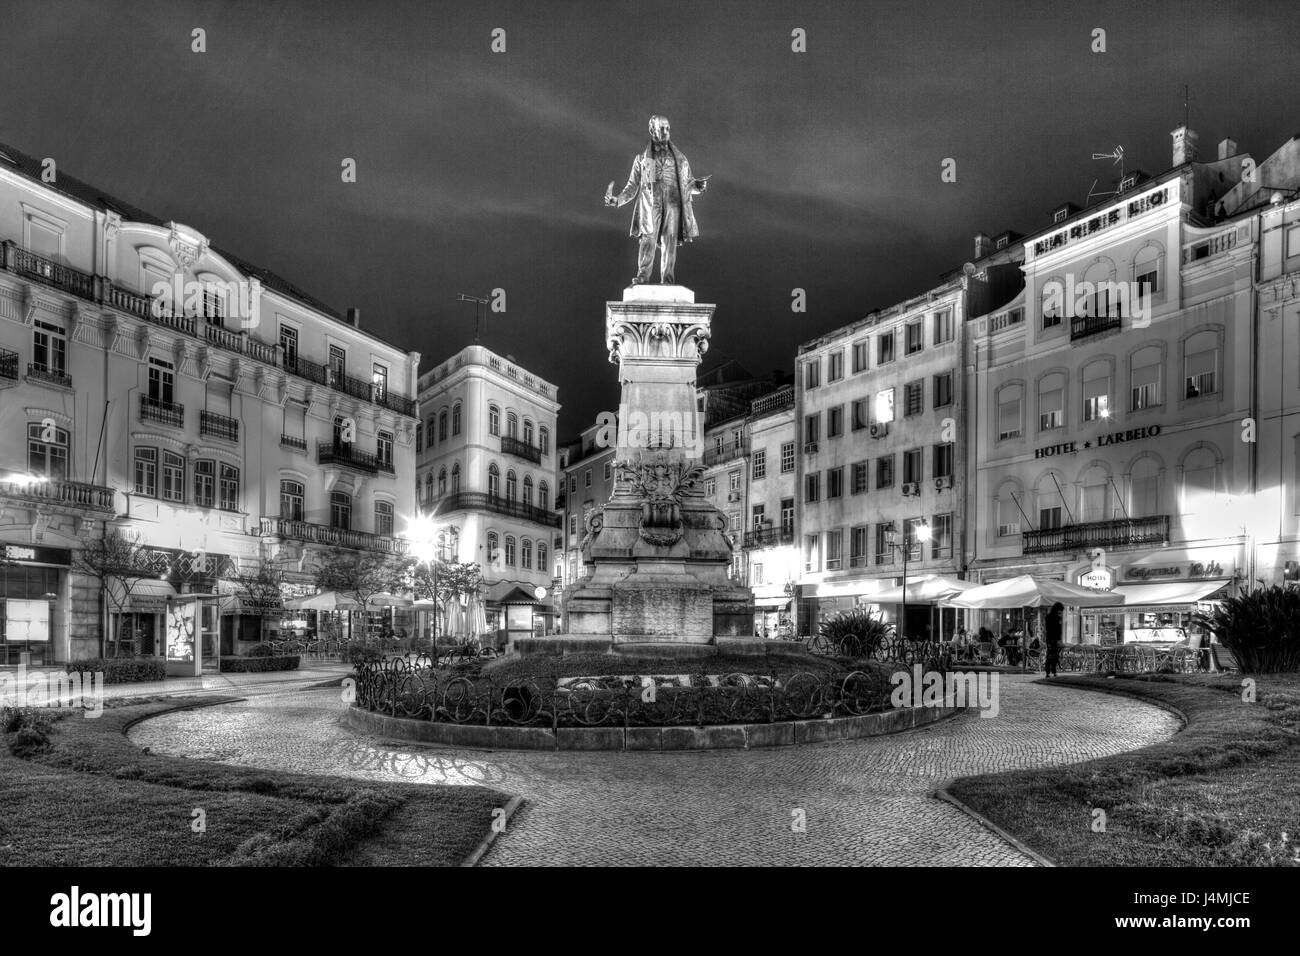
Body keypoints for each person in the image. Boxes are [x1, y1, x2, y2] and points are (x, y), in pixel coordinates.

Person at [605, 115, 709, 285]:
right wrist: (617, 200)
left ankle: (668, 279)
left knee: (670, 241)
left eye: (668, 128)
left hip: (674, 203)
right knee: (648, 240)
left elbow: (688, 183)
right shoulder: (643, 159)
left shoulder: (680, 159)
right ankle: (642, 277)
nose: (666, 132)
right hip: (651, 205)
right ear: (652, 130)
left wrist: (699, 186)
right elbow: (632, 186)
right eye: (662, 129)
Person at [1045, 601, 1064, 678]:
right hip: (1051, 638)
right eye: (1060, 610)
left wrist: (1059, 639)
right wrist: (1057, 638)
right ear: (1057, 609)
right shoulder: (1050, 617)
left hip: (1054, 639)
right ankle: (1048, 671)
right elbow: (1049, 628)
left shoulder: (1057, 617)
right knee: (1050, 655)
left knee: (1054, 655)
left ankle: (1053, 671)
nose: (1060, 612)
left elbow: (1059, 629)